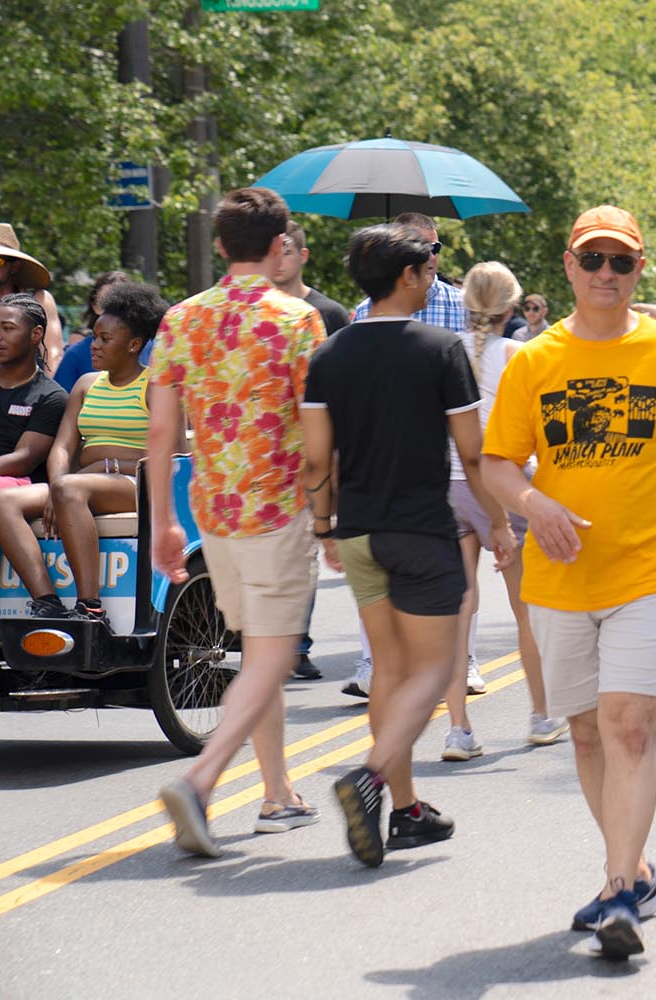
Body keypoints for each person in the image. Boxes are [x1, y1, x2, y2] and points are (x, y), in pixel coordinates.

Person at [481, 204, 656, 959]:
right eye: (592, 260)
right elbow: (497, 461)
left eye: (620, 262)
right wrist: (533, 502)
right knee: (589, 734)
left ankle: (618, 890)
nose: (605, 274)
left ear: (638, 269)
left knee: (630, 723)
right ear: (567, 266)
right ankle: (633, 872)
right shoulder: (536, 359)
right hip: (562, 579)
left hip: (648, 570)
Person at [310, 223, 508, 868]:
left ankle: (406, 810)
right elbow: (473, 453)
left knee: (388, 675)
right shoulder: (441, 347)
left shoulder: (329, 355)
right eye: (427, 271)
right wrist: (499, 523)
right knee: (432, 669)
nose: (432, 281)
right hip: (421, 529)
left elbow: (318, 457)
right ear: (407, 277)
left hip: (358, 530)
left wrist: (322, 527)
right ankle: (368, 778)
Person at [151, 188, 327, 856]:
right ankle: (200, 781)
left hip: (213, 515)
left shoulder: (181, 320)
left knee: (258, 653)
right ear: (281, 244)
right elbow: (317, 433)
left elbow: (162, 431)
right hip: (277, 510)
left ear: (221, 244)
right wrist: (327, 507)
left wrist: (165, 523)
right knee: (274, 655)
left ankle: (278, 793)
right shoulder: (297, 320)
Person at [437, 260, 566, 762]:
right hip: (503, 484)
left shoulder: (445, 352)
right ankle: (539, 714)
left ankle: (458, 728)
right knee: (524, 609)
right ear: (511, 306)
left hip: (448, 485)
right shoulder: (517, 353)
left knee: (458, 610)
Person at [341, 211, 467, 699]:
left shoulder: (458, 307)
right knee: (375, 582)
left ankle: (463, 662)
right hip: (376, 468)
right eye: (419, 249)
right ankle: (373, 663)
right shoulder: (360, 315)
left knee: (453, 579)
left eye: (435, 249)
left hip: (442, 465)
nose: (430, 259)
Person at [41, 283, 172, 623]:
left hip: (136, 484)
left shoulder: (156, 386)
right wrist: (57, 485)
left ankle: (90, 605)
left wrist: (107, 465)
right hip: (83, 482)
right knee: (3, 502)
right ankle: (45, 600)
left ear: (133, 345)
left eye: (104, 339)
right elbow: (62, 447)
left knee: (71, 490)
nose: (93, 345)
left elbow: (173, 456)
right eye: (94, 336)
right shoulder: (86, 383)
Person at [272, 220, 348, 680]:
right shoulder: (254, 312)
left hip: (313, 449)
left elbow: (341, 382)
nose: (279, 258)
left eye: (287, 250)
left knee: (305, 547)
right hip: (261, 454)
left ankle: (297, 646)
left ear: (303, 255)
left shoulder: (327, 313)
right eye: (273, 250)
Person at [0, 295, 72, 619]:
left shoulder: (51, 396)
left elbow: (24, 458)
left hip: (23, 484)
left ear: (36, 334)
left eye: (7, 328)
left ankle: (47, 602)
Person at [351, 212, 466, 333]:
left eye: (435, 248)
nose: (431, 257)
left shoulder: (463, 305)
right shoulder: (365, 310)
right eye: (423, 249)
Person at [53, 271, 140, 392]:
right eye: (106, 301)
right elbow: (61, 405)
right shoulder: (75, 355)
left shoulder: (153, 349)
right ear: (95, 307)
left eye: (120, 302)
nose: (113, 309)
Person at [0, 223, 63, 369]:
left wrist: (48, 390)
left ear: (14, 266)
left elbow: (53, 353)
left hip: (27, 388)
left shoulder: (39, 300)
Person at [272, 220, 351, 336]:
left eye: (286, 253)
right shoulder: (254, 310)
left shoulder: (331, 313)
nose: (278, 261)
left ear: (303, 256)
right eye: (273, 253)